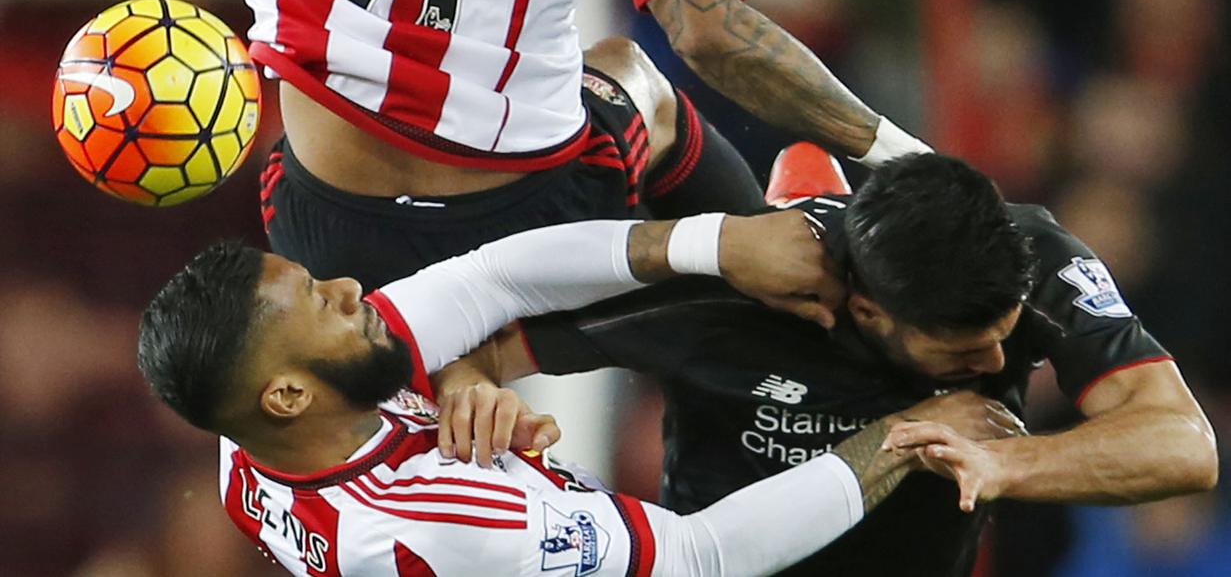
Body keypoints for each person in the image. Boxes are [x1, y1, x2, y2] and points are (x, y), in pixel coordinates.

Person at [433, 152, 1219, 577]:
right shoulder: (728, 298)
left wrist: (1001, 460)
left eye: (1002, 337)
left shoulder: (1035, 260)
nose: (993, 363)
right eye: (958, 350)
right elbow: (480, 334)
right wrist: (468, 383)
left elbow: (1182, 445)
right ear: (868, 310)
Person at [137, 211, 1016, 576]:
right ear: (286, 395)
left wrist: (716, 241)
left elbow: (493, 280)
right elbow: (701, 560)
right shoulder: (435, 517)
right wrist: (906, 431)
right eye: (318, 305)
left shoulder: (247, 442)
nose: (347, 288)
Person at [246, 0, 931, 289]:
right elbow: (708, 33)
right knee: (632, 73)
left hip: (324, 214)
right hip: (530, 212)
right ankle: (764, 260)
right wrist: (907, 160)